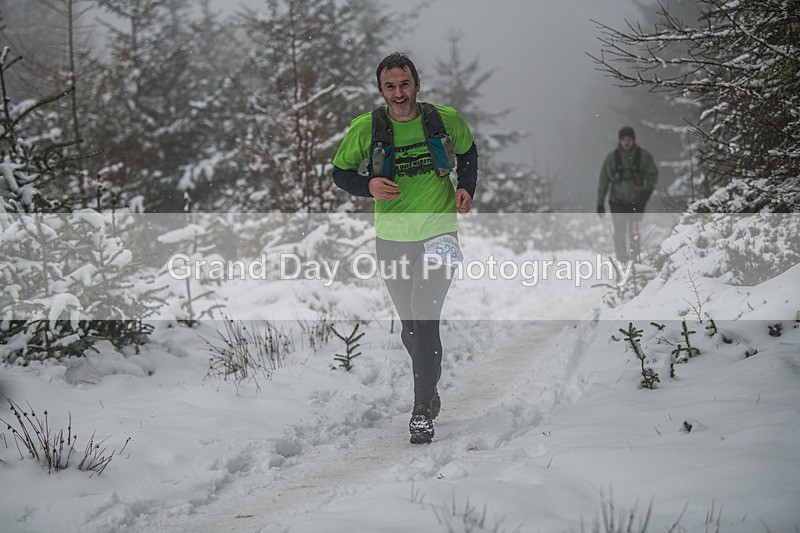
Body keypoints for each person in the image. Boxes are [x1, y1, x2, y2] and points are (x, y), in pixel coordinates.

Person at [331, 52, 478, 444]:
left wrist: (466, 187)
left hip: (440, 233)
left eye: (405, 84)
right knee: (411, 328)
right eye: (390, 86)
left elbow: (468, 152)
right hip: (392, 237)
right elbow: (340, 173)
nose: (399, 93)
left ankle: (419, 412)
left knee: (425, 319)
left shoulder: (442, 119)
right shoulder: (368, 128)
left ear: (417, 84)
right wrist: (369, 186)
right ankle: (430, 391)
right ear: (381, 91)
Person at [596, 126, 658, 262]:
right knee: (619, 234)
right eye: (623, 140)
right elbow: (603, 181)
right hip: (617, 201)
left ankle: (635, 262)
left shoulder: (643, 156)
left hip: (637, 201)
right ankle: (622, 261)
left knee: (635, 233)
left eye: (628, 139)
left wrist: (646, 193)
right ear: (619, 141)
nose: (626, 142)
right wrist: (600, 202)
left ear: (633, 140)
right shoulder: (612, 158)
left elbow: (653, 175)